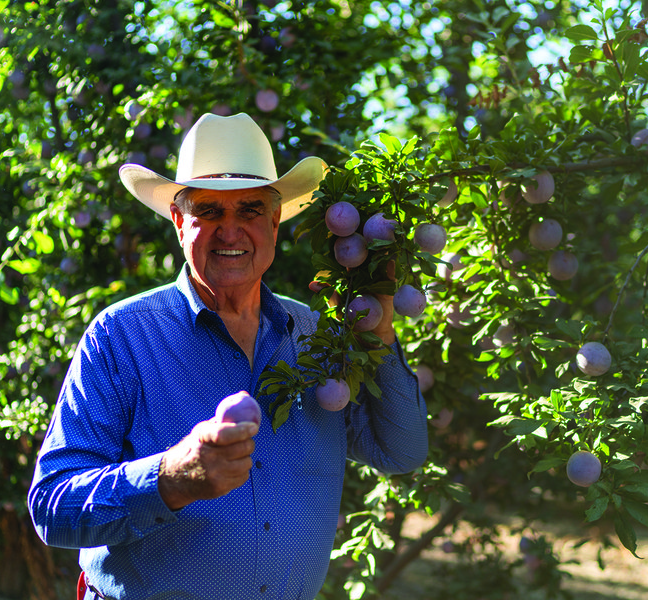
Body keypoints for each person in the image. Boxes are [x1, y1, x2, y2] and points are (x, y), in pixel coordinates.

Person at [28, 112, 429, 600]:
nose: (230, 231)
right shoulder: (122, 336)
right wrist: (170, 479)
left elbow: (401, 451)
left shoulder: (316, 338)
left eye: (250, 210)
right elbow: (53, 507)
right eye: (210, 212)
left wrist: (380, 336)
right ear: (180, 222)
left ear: (275, 222)